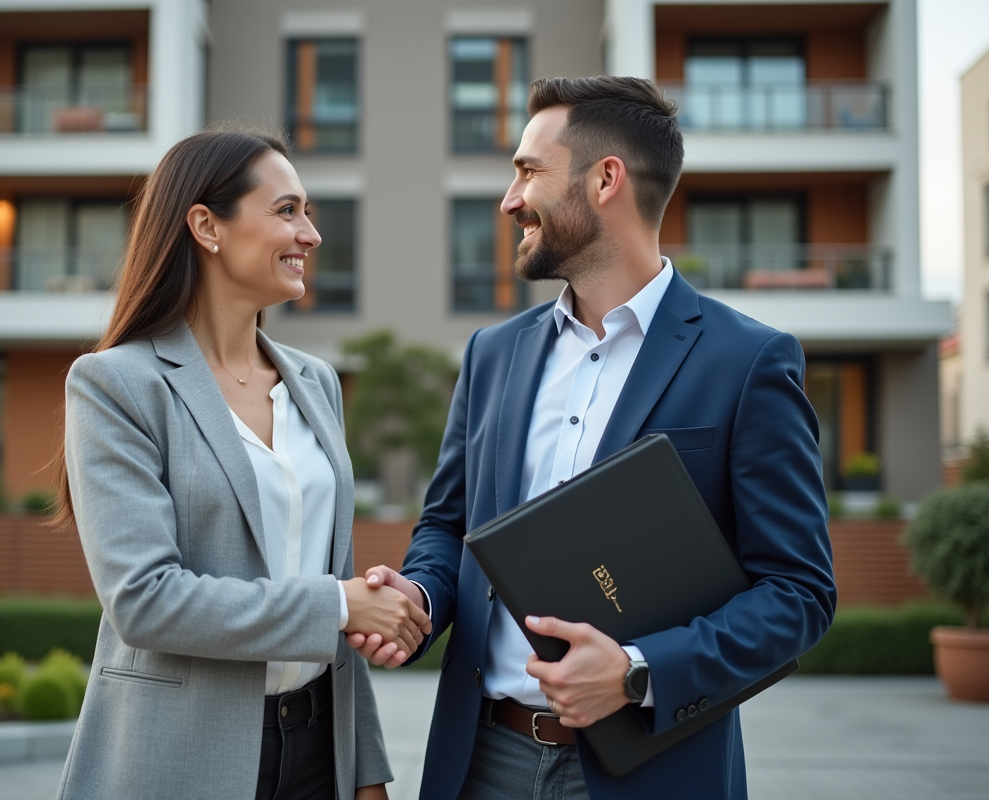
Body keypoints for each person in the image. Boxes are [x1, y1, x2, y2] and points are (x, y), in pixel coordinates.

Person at [349, 77, 837, 800]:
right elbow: (451, 526)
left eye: (528, 171)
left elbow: (797, 593)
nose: (511, 200)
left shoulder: (748, 361)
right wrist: (419, 595)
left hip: (652, 772)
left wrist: (638, 671)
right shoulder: (492, 354)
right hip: (483, 758)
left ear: (606, 179)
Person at [50, 128, 431, 800]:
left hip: (318, 750)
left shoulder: (317, 384)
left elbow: (334, 586)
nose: (310, 234)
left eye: (307, 213)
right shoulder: (115, 384)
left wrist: (365, 770)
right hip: (179, 758)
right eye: (287, 210)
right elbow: (145, 600)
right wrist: (338, 605)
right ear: (206, 225)